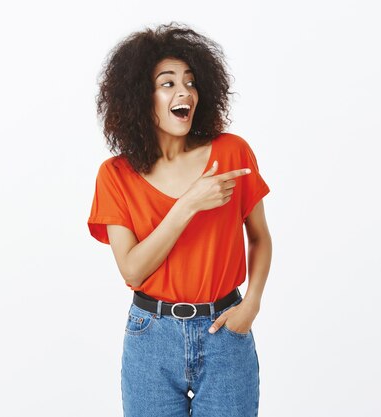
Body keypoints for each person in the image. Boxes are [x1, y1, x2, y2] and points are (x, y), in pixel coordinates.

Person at [87, 22, 272, 417]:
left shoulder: (232, 152)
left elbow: (259, 237)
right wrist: (188, 204)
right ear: (140, 97)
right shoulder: (115, 175)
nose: (184, 91)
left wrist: (251, 304)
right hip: (150, 338)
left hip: (225, 330)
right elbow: (133, 269)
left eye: (190, 82)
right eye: (167, 83)